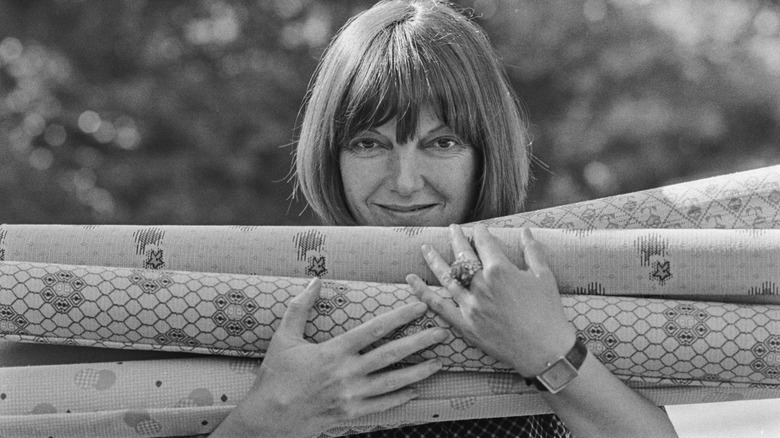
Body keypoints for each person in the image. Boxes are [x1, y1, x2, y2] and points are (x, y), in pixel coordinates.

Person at [213, 0, 679, 437]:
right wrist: (264, 420)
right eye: (368, 144)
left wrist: (548, 351)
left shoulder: (547, 289)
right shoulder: (261, 303)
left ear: (485, 153)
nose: (406, 182)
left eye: (442, 143)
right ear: (330, 155)